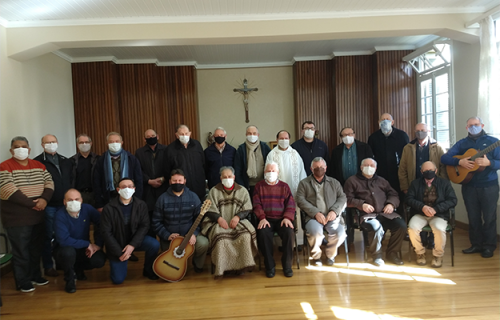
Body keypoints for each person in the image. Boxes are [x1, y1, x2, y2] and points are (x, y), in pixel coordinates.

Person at [0, 136, 54, 292]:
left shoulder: (39, 165)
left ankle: (36, 276)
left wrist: (44, 199)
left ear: (29, 149)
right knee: (21, 250)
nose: (21, 149)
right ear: (11, 150)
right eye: (17, 146)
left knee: (35, 249)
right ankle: (23, 281)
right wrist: (33, 204)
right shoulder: (4, 167)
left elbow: (49, 182)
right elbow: (7, 189)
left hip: (37, 216)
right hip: (17, 218)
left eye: (23, 146)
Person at [441, 116, 500, 258]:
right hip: (469, 186)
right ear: (466, 128)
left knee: (489, 217)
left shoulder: (493, 142)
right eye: (470, 125)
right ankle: (476, 244)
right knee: (473, 217)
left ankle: (489, 246)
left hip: (489, 186)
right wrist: (459, 162)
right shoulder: (462, 143)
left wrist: (489, 164)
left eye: (476, 124)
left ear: (482, 125)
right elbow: (444, 158)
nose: (474, 127)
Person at [344, 158, 407, 266]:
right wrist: (361, 204)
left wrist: (391, 204)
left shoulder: (382, 181)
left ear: (376, 168)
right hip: (367, 215)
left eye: (372, 166)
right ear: (361, 167)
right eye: (366, 165)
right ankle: (377, 256)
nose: (369, 167)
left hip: (386, 214)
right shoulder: (352, 181)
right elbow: (346, 199)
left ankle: (392, 253)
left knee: (401, 226)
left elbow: (394, 194)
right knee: (376, 227)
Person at [100, 178, 159, 284]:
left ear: (134, 189)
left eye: (130, 186)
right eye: (123, 187)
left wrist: (132, 245)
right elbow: (106, 233)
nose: (127, 189)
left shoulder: (141, 205)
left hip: (135, 240)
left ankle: (148, 269)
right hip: (118, 244)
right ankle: (122, 261)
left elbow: (144, 226)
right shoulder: (109, 208)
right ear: (118, 190)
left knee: (154, 244)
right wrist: (119, 253)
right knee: (118, 280)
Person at [201, 166, 257, 277]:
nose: (227, 179)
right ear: (220, 178)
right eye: (224, 177)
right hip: (218, 222)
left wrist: (237, 217)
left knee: (245, 236)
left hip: (237, 221)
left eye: (230, 176)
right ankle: (223, 268)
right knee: (220, 238)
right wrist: (219, 218)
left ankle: (242, 266)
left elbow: (248, 207)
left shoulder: (242, 190)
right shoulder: (214, 191)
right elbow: (209, 210)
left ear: (234, 177)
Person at [152, 169, 209, 273]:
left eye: (180, 180)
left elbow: (199, 219)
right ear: (170, 182)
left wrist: (194, 234)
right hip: (170, 238)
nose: (177, 183)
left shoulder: (193, 197)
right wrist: (166, 235)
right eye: (174, 181)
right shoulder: (162, 199)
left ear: (184, 181)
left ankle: (198, 265)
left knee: (203, 243)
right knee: (171, 266)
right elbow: (156, 222)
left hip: (189, 235)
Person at [34, 134, 74, 277]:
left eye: (53, 142)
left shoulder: (65, 161)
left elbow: (71, 180)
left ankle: (63, 263)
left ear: (57, 142)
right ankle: (49, 266)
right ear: (42, 144)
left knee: (63, 235)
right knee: (48, 237)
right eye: (47, 142)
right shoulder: (37, 162)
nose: (51, 144)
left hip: (66, 205)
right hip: (49, 205)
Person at [296, 157, 346, 266]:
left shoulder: (334, 182)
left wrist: (334, 211)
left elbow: (342, 198)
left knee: (340, 233)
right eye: (316, 167)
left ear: (326, 168)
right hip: (313, 217)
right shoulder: (304, 183)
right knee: (315, 233)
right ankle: (316, 256)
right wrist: (315, 213)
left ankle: (330, 254)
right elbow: (300, 199)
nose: (319, 169)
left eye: (322, 167)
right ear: (311, 169)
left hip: (332, 216)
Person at [54, 189, 107, 293]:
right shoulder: (59, 215)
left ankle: (79, 269)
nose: (74, 202)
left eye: (76, 199)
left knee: (99, 260)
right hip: (65, 249)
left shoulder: (87, 209)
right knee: (68, 253)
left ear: (81, 200)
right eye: (70, 200)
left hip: (84, 249)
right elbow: (64, 240)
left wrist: (98, 244)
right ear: (64, 202)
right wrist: (87, 244)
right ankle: (69, 279)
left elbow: (103, 224)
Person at [406, 161, 457, 268]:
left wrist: (436, 209)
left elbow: (453, 200)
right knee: (412, 228)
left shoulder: (445, 183)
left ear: (436, 171)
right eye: (426, 171)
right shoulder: (415, 183)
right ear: (421, 172)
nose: (429, 172)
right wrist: (422, 207)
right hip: (420, 214)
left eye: (431, 171)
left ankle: (438, 255)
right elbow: (409, 199)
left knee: (438, 229)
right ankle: (420, 253)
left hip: (438, 214)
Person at [253, 162, 296, 278]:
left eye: (273, 171)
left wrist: (287, 217)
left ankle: (287, 266)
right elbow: (256, 204)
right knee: (263, 233)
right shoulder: (259, 186)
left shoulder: (284, 186)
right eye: (268, 171)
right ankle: (270, 266)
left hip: (282, 219)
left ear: (278, 173)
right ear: (264, 172)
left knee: (289, 233)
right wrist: (262, 218)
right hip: (266, 220)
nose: (271, 173)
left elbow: (291, 204)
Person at [266, 130, 307, 245]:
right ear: (277, 140)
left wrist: (302, 191)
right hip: (277, 194)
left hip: (294, 191)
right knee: (280, 217)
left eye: (286, 138)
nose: (284, 141)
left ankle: (298, 243)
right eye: (281, 138)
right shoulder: (272, 154)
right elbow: (268, 173)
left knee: (295, 214)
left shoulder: (295, 153)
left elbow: (301, 173)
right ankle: (283, 244)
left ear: (289, 139)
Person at [368, 113, 409, 216]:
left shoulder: (402, 136)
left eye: (387, 119)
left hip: (398, 175)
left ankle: (400, 224)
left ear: (393, 122)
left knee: (399, 199)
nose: (385, 121)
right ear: (378, 122)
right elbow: (370, 157)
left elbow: (407, 156)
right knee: (380, 199)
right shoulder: (373, 138)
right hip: (380, 176)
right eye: (382, 119)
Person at [93, 132, 143, 211]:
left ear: (122, 143)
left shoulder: (131, 159)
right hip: (109, 198)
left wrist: (137, 200)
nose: (114, 144)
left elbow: (139, 180)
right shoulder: (101, 160)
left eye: (117, 141)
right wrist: (99, 203)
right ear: (107, 143)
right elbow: (97, 182)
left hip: (129, 197)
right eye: (111, 142)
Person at [135, 129, 167, 237]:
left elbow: (170, 167)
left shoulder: (166, 150)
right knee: (149, 218)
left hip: (164, 188)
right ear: (144, 139)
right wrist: (149, 181)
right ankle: (153, 244)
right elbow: (138, 170)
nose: (151, 138)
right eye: (148, 136)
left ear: (157, 136)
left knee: (165, 216)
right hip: (147, 190)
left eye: (153, 135)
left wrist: (163, 178)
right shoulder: (139, 152)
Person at [399, 123, 447, 193]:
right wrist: (405, 187)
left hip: (434, 187)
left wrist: (441, 186)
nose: (420, 132)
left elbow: (443, 168)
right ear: (414, 131)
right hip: (413, 187)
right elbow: (402, 169)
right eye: (417, 130)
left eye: (422, 130)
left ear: (428, 131)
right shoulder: (407, 148)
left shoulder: (438, 147)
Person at [165, 124, 206, 201]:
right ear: (176, 135)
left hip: (199, 186)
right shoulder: (170, 149)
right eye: (181, 134)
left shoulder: (197, 145)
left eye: (186, 133)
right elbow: (167, 170)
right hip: (181, 189)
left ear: (190, 133)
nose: (184, 136)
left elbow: (203, 163)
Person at [234, 125, 271, 195]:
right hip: (248, 186)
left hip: (263, 184)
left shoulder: (264, 147)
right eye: (249, 133)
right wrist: (242, 187)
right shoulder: (241, 149)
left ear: (258, 135)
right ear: (246, 135)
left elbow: (271, 164)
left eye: (254, 133)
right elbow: (238, 170)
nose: (252, 135)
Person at [71, 134, 99, 206]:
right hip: (78, 194)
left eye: (86, 142)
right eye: (81, 142)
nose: (84, 144)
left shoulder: (98, 159)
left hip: (95, 195)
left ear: (91, 143)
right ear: (77, 145)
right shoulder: (72, 161)